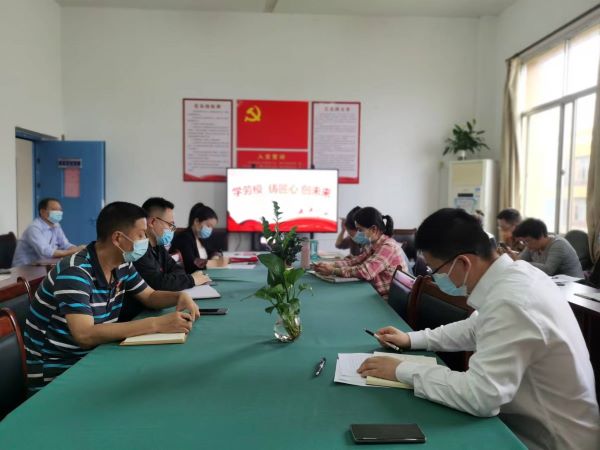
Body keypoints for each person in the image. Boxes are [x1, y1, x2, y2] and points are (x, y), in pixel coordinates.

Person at [356, 208, 599, 450]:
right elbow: (476, 328)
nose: (434, 278)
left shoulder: (513, 300)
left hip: (553, 441)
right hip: (530, 426)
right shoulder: (516, 275)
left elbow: (480, 396)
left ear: (463, 263)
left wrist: (401, 370)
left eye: (435, 271)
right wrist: (411, 339)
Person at [24, 202, 200, 394]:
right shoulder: (75, 271)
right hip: (58, 374)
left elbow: (149, 295)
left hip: (93, 357)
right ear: (118, 238)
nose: (145, 240)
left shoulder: (122, 264)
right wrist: (157, 324)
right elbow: (84, 335)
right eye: (141, 235)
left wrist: (179, 296)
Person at [118, 197, 211, 322]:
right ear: (152, 222)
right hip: (136, 315)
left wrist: (172, 282)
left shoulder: (158, 246)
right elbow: (157, 284)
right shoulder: (137, 251)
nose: (172, 229)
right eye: (170, 224)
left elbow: (178, 270)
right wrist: (191, 279)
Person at [313, 207, 408, 298]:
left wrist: (333, 270)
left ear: (374, 229)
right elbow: (355, 261)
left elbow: (366, 272)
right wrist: (331, 265)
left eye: (360, 230)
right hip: (376, 293)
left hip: (388, 300)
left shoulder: (388, 247)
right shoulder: (373, 245)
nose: (358, 233)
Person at [12, 197, 85, 266]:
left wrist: (79, 250)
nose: (59, 212)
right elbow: (46, 252)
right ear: (42, 212)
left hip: (42, 264)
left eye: (60, 210)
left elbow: (65, 244)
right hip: (24, 267)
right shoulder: (34, 228)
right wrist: (74, 251)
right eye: (55, 210)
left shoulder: (56, 225)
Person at [513, 218, 584, 278]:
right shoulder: (531, 246)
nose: (527, 245)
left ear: (541, 235)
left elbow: (548, 270)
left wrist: (522, 262)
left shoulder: (558, 244)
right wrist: (514, 259)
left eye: (528, 241)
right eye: (524, 242)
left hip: (574, 284)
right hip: (553, 282)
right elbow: (519, 261)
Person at [170, 202, 225, 274]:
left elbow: (213, 251)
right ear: (196, 221)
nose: (210, 230)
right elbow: (191, 264)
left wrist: (215, 256)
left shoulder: (200, 238)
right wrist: (214, 263)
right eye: (208, 226)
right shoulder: (184, 238)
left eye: (212, 227)